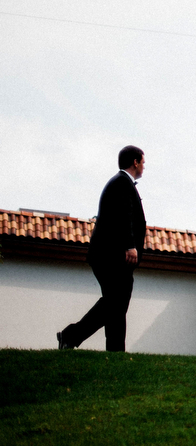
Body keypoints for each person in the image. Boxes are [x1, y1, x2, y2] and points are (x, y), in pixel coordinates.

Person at [58, 146, 147, 352]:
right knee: (116, 303)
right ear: (135, 162)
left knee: (115, 304)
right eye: (143, 162)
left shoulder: (119, 183)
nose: (144, 166)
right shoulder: (122, 183)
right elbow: (124, 217)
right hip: (113, 256)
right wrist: (130, 246)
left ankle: (108, 349)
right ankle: (72, 336)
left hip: (109, 256)